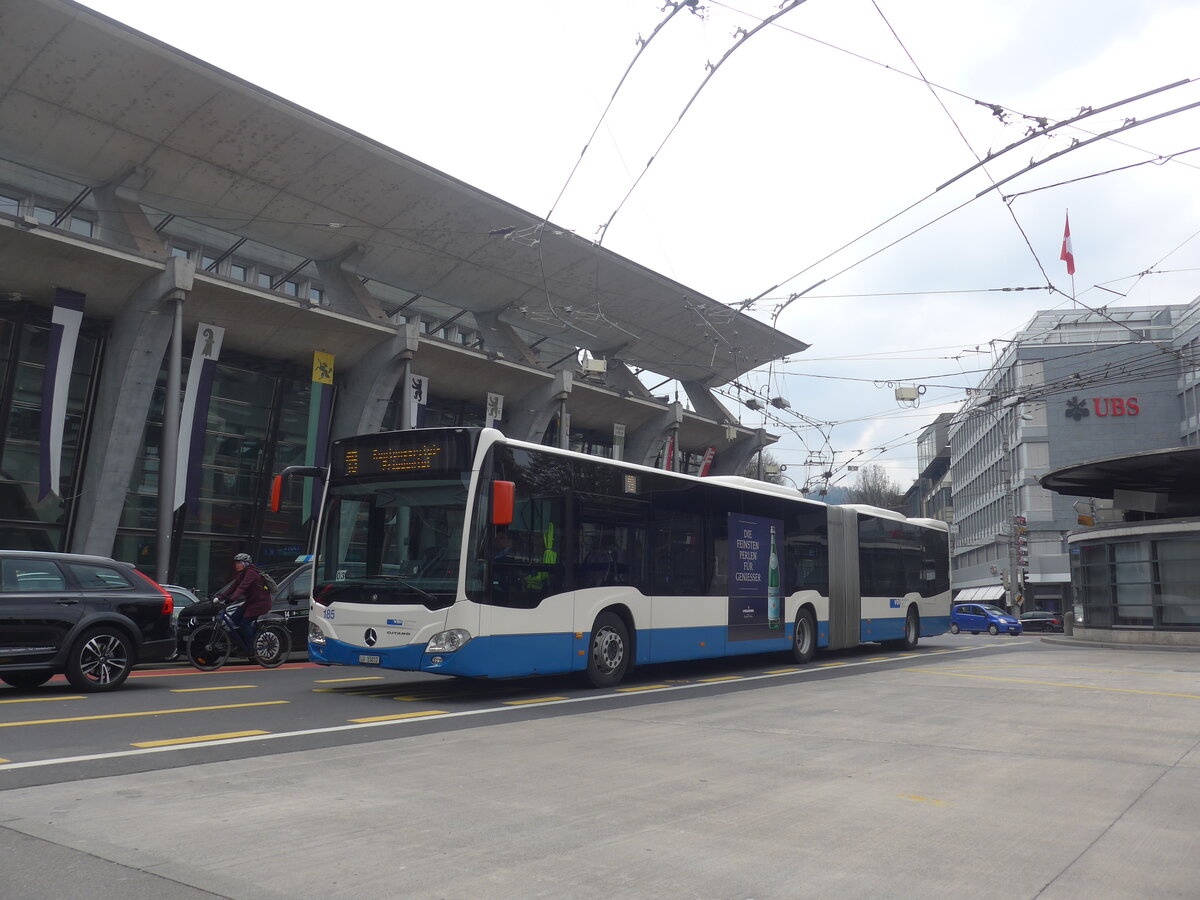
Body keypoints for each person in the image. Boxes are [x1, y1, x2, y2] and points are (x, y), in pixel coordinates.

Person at [219, 552, 272, 655]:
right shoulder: (242, 574)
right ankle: (245, 639)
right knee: (234, 618)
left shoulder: (251, 573)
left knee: (244, 623)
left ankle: (251, 647)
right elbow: (233, 587)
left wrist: (232, 599)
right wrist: (220, 597)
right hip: (251, 602)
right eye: (236, 563)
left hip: (260, 603)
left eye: (239, 563)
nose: (236, 565)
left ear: (245, 563)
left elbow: (242, 587)